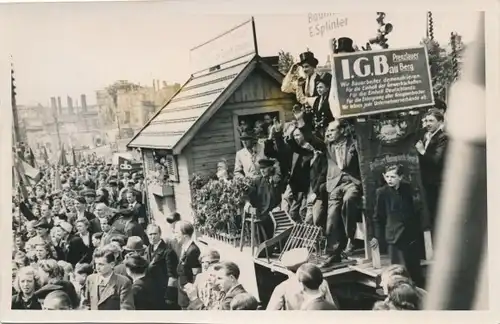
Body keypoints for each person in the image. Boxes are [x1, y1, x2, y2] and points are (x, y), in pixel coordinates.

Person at [370, 164, 423, 287]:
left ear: (400, 177)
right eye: (387, 176)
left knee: (415, 272)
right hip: (395, 238)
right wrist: (376, 236)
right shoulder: (381, 193)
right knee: (399, 272)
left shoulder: (408, 189)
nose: (389, 180)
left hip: (411, 237)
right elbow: (377, 216)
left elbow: (417, 211)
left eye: (393, 177)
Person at [319, 119, 362, 267]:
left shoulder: (354, 143)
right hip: (335, 185)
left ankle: (351, 237)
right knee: (331, 216)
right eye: (328, 131)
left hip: (352, 182)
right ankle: (333, 253)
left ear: (342, 131)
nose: (328, 133)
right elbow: (312, 140)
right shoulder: (328, 146)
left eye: (332, 130)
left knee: (349, 200)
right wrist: (300, 121)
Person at [267, 248, 336, 310]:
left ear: (287, 269)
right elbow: (330, 306)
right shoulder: (322, 282)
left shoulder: (282, 288)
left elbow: (270, 313)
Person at [415, 108, 448, 236]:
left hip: (437, 183)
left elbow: (437, 161)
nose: (428, 124)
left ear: (440, 122)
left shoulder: (443, 138)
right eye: (426, 121)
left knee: (437, 214)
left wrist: (422, 151)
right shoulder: (426, 136)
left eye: (431, 121)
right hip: (426, 182)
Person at [245, 158, 283, 239]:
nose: (262, 170)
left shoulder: (277, 180)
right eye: (261, 168)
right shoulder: (257, 181)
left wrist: (279, 206)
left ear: (271, 168)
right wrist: (248, 203)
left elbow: (282, 195)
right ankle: (267, 246)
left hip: (275, 211)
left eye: (264, 168)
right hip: (262, 212)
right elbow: (250, 195)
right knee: (264, 224)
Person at [145, 224, 179, 309]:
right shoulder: (147, 250)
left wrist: (169, 296)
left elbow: (173, 277)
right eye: (150, 234)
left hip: (163, 292)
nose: (152, 237)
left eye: (155, 234)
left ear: (160, 234)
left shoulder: (168, 252)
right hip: (151, 291)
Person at [175, 221, 202, 309]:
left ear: (185, 236)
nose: (175, 235)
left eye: (176, 232)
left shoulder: (193, 250)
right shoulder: (184, 248)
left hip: (188, 295)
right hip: (183, 293)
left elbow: (196, 275)